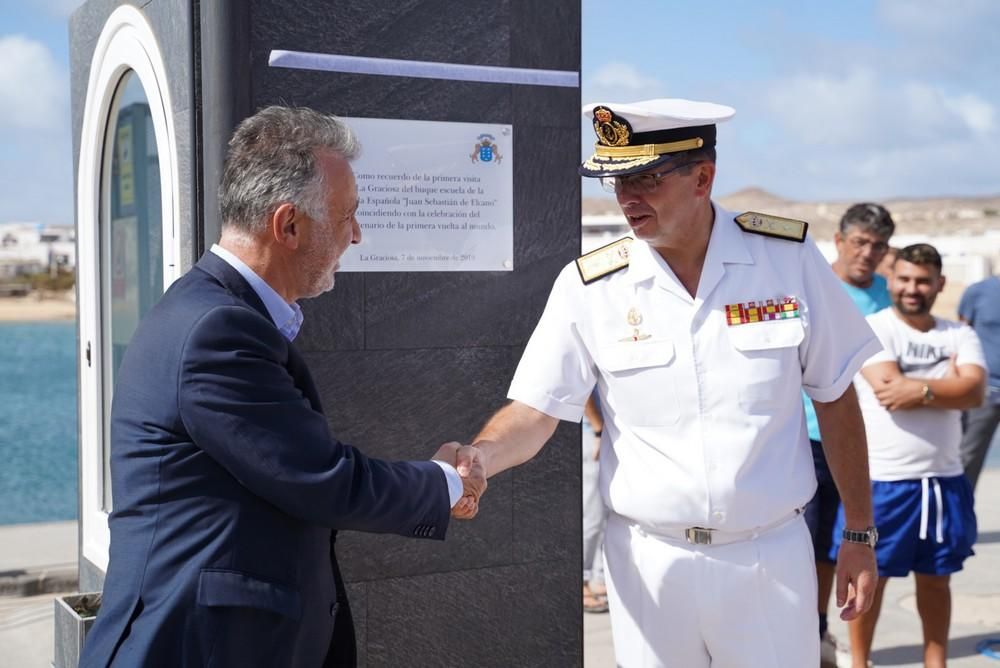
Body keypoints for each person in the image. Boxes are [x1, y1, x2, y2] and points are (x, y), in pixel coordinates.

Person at [456, 98, 882, 667]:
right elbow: (536, 410)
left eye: (646, 179)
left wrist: (859, 533)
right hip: (648, 562)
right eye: (616, 181)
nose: (627, 197)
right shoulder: (591, 284)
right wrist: (480, 456)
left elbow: (834, 396)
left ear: (702, 177)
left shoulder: (787, 257)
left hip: (768, 560)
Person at [79, 106, 486, 668]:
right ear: (288, 225)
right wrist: (444, 483)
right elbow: (321, 478)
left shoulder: (213, 312)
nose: (358, 236)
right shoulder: (217, 331)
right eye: (348, 218)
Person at [834, 243, 986, 668]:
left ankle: (935, 663)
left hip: (943, 481)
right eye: (904, 279)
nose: (912, 288)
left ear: (939, 283)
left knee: (937, 582)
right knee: (870, 584)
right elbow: (887, 391)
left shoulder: (959, 333)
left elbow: (974, 391)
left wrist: (917, 388)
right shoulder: (872, 328)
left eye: (922, 280)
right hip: (883, 483)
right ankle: (860, 662)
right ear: (891, 281)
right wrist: (943, 384)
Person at [800, 202, 895, 666]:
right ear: (839, 241)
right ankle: (808, 631)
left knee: (845, 543)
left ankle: (825, 634)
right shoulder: (816, 284)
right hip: (809, 438)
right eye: (860, 242)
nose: (868, 253)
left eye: (878, 246)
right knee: (803, 541)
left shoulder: (887, 293)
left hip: (868, 442)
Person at [957, 272, 1000, 490]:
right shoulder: (978, 291)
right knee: (966, 460)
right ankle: (955, 519)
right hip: (985, 393)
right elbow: (961, 336)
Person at [582, 394, 609, 613]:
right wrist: (598, 428)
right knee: (593, 516)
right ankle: (582, 582)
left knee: (606, 516)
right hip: (592, 435)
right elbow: (585, 391)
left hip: (604, 435)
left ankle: (599, 579)